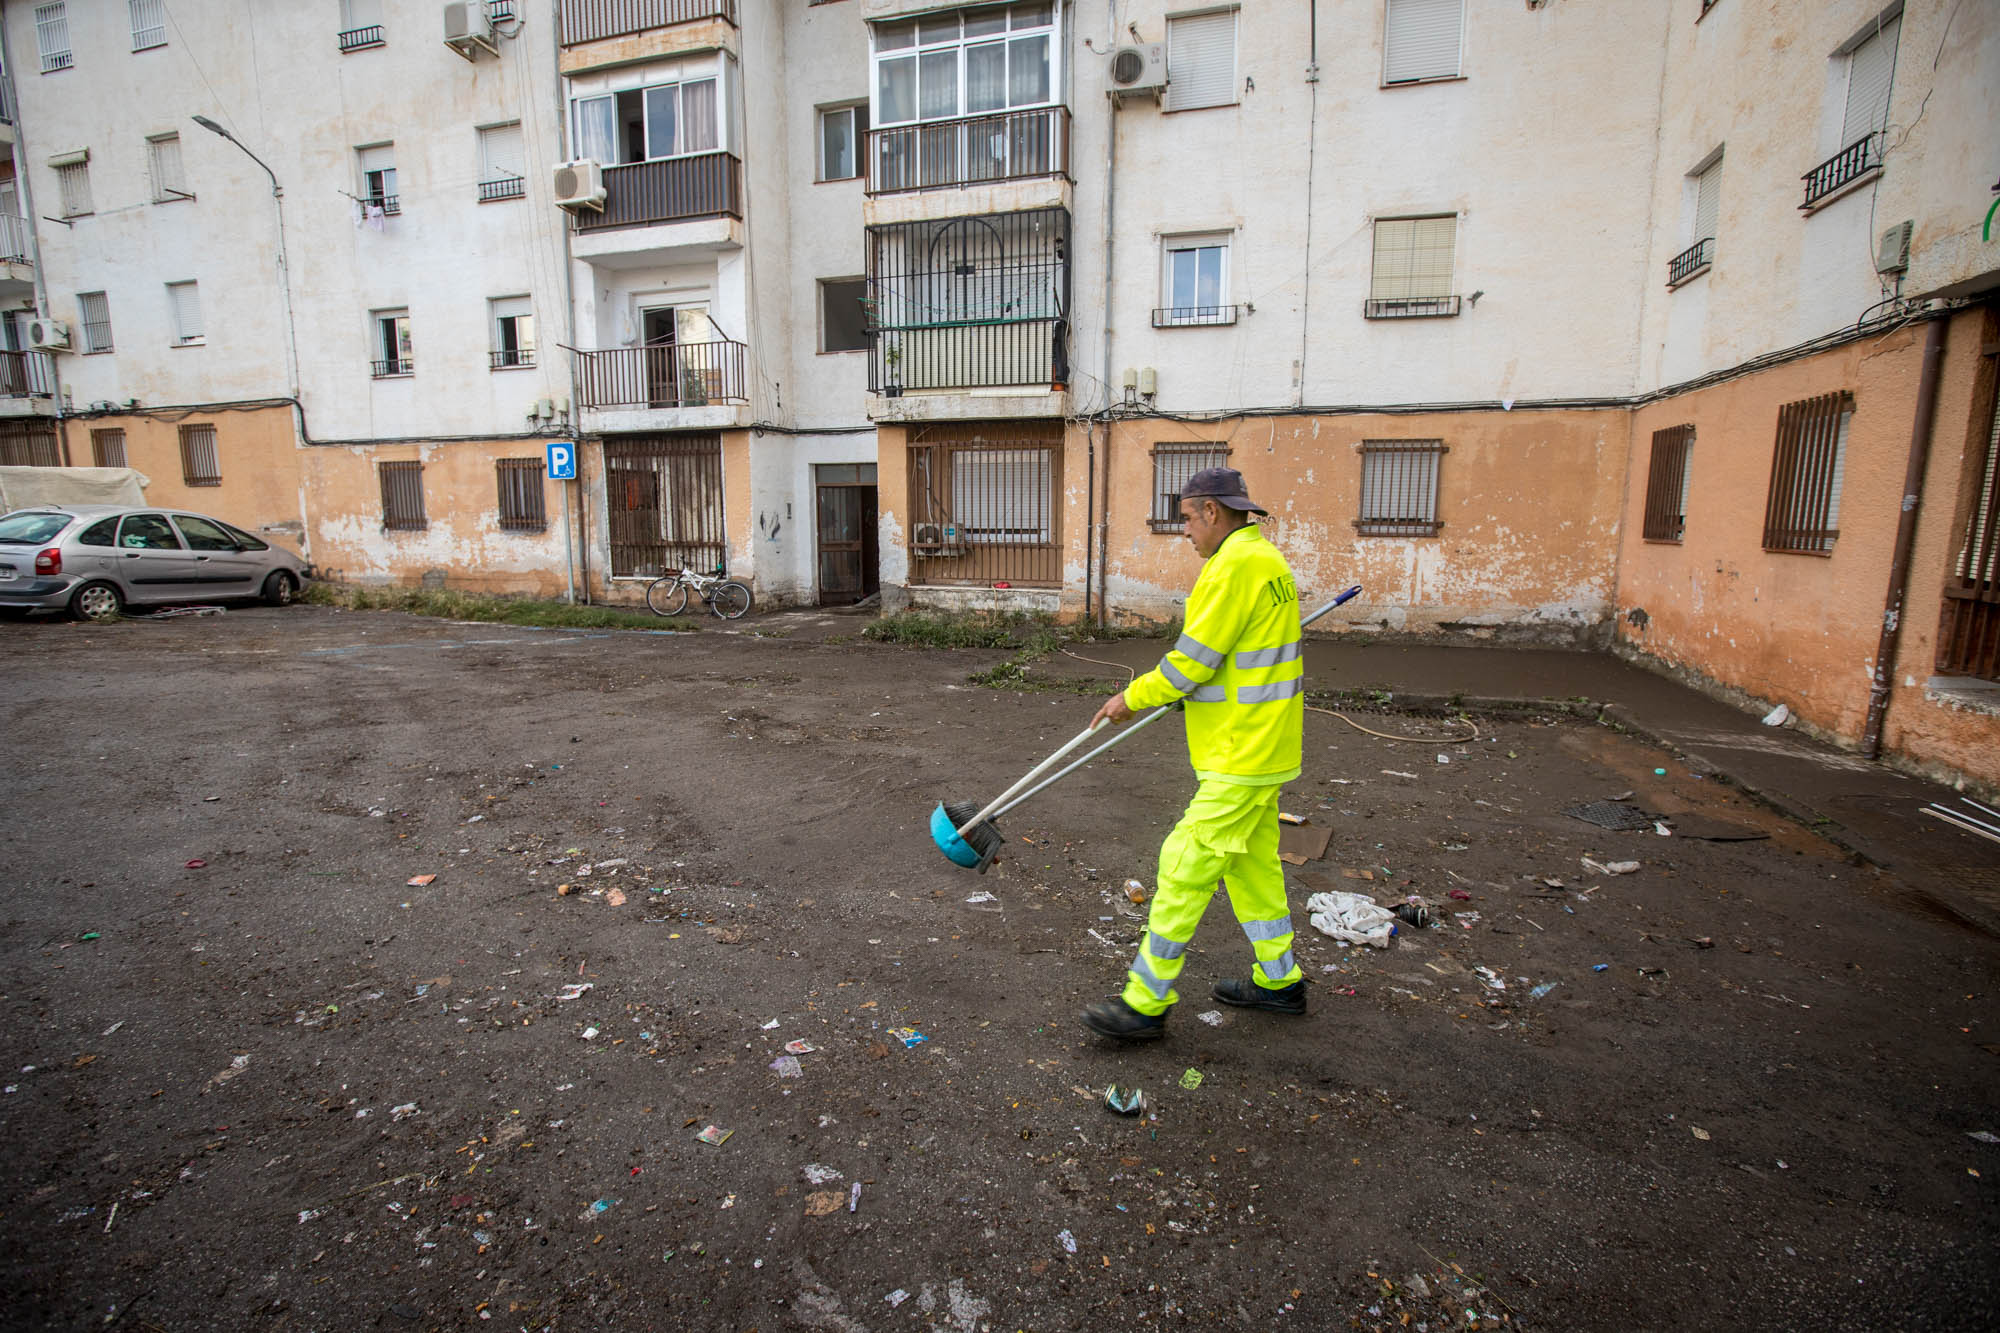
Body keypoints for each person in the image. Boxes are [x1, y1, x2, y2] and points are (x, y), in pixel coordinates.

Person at [1080, 467, 1307, 1041]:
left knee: (1183, 865)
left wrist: (1130, 698)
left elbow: (1191, 663)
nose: (1185, 531)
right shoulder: (1268, 562)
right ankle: (1280, 982)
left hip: (1241, 751)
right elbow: (1235, 661)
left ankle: (1145, 1001)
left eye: (1185, 517)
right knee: (1253, 870)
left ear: (1212, 511)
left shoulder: (1229, 568)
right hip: (1265, 743)